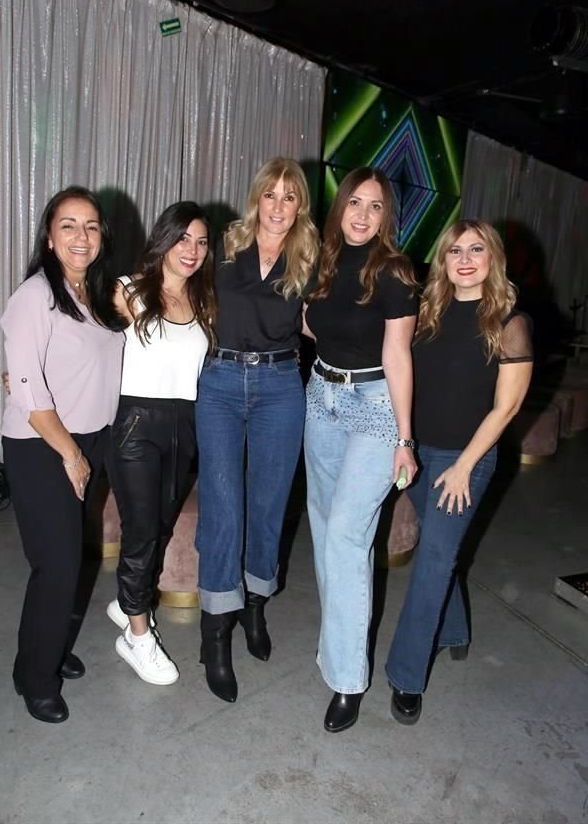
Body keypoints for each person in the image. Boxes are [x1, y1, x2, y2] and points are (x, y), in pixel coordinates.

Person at [385, 219, 533, 725]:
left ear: (492, 257)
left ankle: (404, 676)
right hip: (418, 453)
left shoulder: (508, 319)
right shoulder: (426, 310)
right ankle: (455, 630)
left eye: (476, 249)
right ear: (443, 260)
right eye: (454, 251)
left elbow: (507, 407)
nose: (465, 259)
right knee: (439, 549)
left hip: (465, 460)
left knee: (432, 561)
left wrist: (466, 466)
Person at [195, 157, 319, 703]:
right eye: (270, 194)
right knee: (223, 503)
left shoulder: (312, 259)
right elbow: (172, 285)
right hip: (219, 381)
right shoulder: (223, 247)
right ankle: (215, 631)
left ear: (300, 207)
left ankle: (254, 606)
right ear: (257, 198)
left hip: (280, 387)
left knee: (269, 504)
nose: (277, 205)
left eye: (289, 197)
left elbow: (328, 323)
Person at [1, 186, 125, 723]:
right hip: (44, 445)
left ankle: (37, 653)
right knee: (58, 564)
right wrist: (71, 455)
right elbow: (27, 388)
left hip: (88, 440)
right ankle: (37, 680)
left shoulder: (95, 296)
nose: (81, 236)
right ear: (50, 238)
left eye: (91, 226)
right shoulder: (34, 296)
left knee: (62, 562)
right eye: (69, 225)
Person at [302, 166, 418, 733]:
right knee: (324, 531)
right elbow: (310, 322)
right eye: (355, 203)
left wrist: (403, 437)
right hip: (321, 396)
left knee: (348, 534)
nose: (363, 215)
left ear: (386, 218)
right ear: (339, 207)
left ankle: (348, 680)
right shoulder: (322, 265)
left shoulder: (394, 272)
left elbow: (399, 356)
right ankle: (335, 647)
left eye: (375, 207)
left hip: (373, 406)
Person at [105, 202, 216, 685]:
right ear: (163, 239)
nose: (191, 250)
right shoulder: (127, 291)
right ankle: (135, 632)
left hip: (184, 424)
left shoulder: (205, 302)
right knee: (142, 529)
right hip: (135, 424)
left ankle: (126, 599)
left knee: (162, 525)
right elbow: (82, 340)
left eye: (201, 241)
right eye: (183, 238)